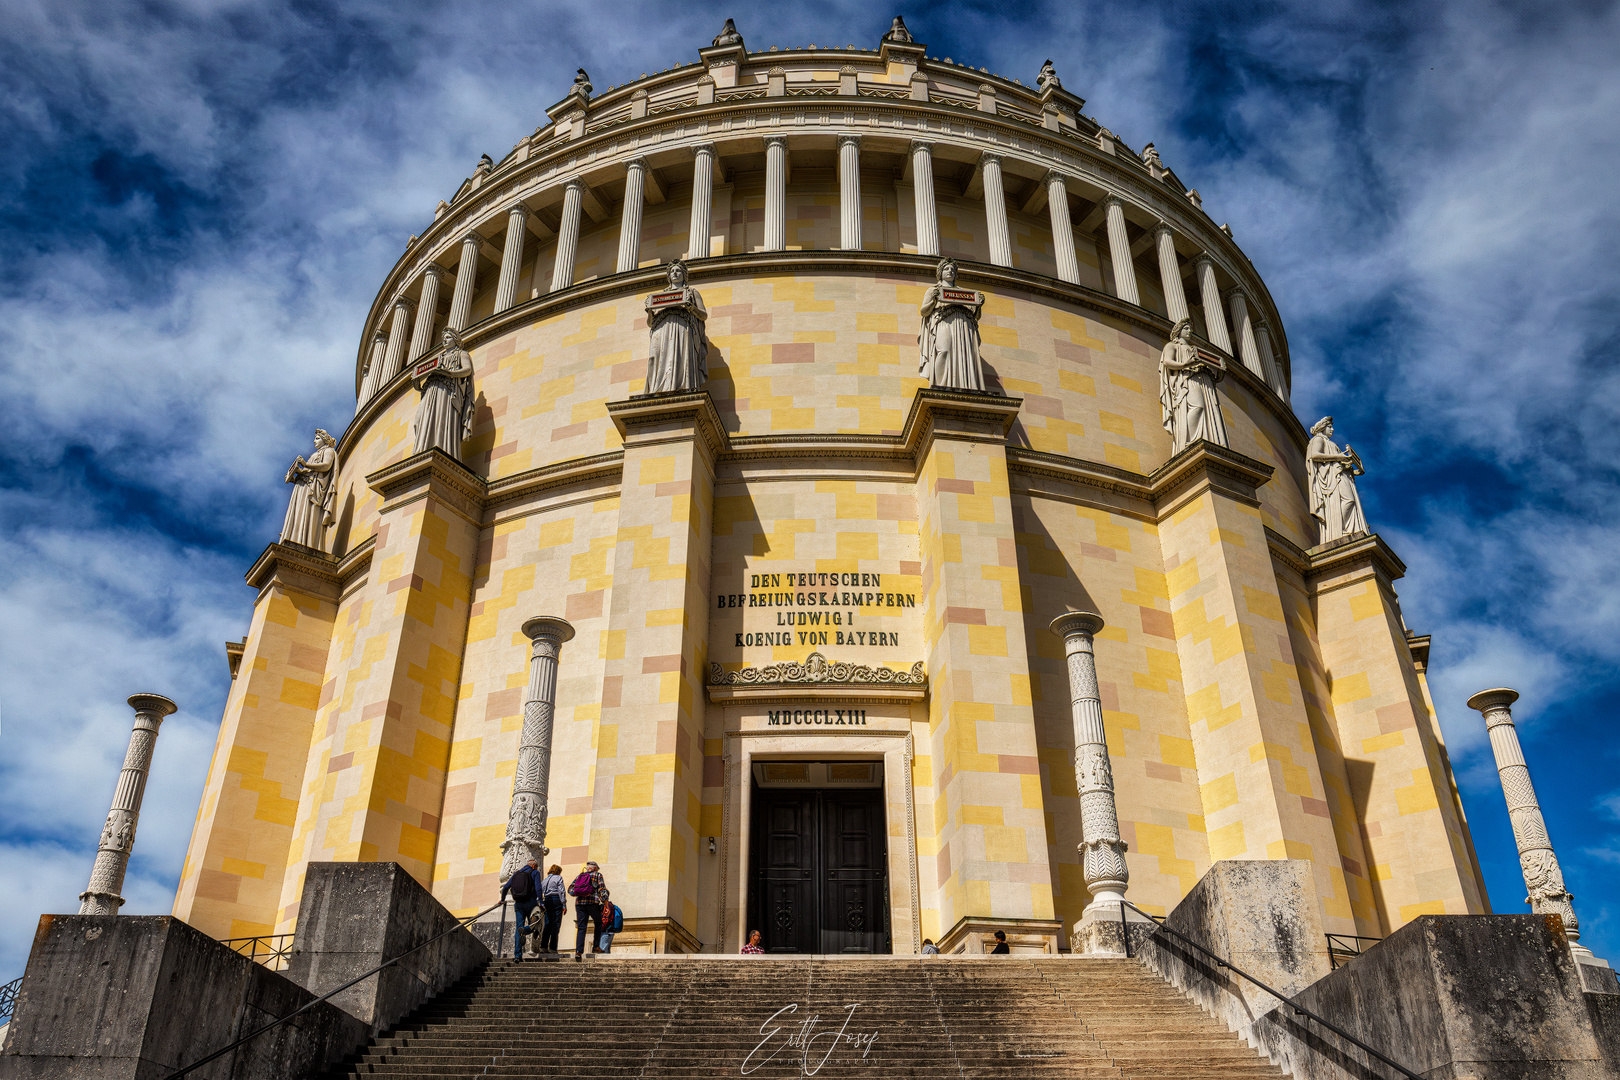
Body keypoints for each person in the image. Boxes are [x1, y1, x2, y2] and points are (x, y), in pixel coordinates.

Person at [1158, 317, 1229, 453]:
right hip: (1188, 380)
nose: (1189, 331)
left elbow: (1215, 378)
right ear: (1178, 331)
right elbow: (1167, 361)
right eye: (1186, 328)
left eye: (1190, 328)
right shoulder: (1172, 346)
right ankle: (1190, 442)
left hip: (1204, 382)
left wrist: (1221, 372)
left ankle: (1207, 440)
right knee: (1197, 407)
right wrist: (1184, 365)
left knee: (1209, 411)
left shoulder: (1196, 351)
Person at [918, 259, 987, 391]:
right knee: (944, 350)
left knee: (963, 354)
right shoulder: (933, 290)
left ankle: (965, 385)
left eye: (952, 270)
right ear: (940, 273)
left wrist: (979, 306)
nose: (950, 272)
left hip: (963, 326)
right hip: (943, 323)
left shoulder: (964, 293)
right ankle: (940, 385)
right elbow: (924, 311)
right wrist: (934, 300)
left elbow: (975, 316)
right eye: (946, 269)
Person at [644, 260, 708, 394]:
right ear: (668, 276)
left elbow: (703, 315)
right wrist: (649, 312)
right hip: (662, 330)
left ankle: (683, 386)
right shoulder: (660, 296)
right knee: (656, 357)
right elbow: (650, 323)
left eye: (678, 270)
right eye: (672, 271)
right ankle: (658, 387)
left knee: (679, 355)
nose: (675, 273)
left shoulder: (692, 292)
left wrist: (691, 308)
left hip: (682, 328)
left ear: (684, 274)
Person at [410, 327, 476, 457]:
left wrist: (449, 373)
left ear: (455, 340)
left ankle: (443, 449)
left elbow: (467, 370)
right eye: (443, 338)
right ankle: (422, 450)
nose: (444, 340)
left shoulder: (461, 354)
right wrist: (417, 384)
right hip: (430, 392)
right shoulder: (438, 358)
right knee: (420, 420)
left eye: (448, 337)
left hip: (447, 392)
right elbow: (424, 380)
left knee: (441, 418)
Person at [1307, 417, 1368, 544]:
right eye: (1330, 427)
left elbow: (1340, 462)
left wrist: (1355, 471)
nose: (1332, 429)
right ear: (1323, 428)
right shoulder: (1318, 439)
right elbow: (1315, 455)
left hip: (1342, 474)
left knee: (1350, 501)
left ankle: (1346, 529)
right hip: (1333, 477)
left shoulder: (1330, 443)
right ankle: (1340, 529)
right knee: (1348, 500)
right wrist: (1338, 457)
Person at [279, 430, 337, 550]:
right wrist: (296, 475)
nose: (314, 441)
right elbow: (309, 472)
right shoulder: (315, 454)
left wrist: (305, 465)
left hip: (313, 490)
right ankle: (294, 539)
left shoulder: (329, 451)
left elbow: (326, 465)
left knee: (308, 514)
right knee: (297, 514)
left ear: (324, 439)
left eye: (317, 438)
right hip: (303, 487)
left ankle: (306, 544)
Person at [500, 858, 543, 962]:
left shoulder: (516, 874)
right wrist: (541, 901)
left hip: (518, 904)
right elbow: (538, 888)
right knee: (536, 922)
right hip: (531, 903)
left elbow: (505, 887)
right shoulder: (535, 872)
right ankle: (526, 930)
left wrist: (502, 899)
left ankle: (517, 955)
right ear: (534, 866)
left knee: (518, 927)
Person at [571, 860, 607, 960]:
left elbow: (571, 889)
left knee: (581, 927)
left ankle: (578, 951)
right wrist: (606, 903)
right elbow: (602, 889)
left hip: (580, 904)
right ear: (595, 867)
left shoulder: (579, 876)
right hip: (592, 903)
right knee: (598, 922)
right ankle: (596, 946)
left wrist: (580, 894)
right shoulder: (597, 875)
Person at [538, 863, 567, 955]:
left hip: (547, 900)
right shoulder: (558, 878)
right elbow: (561, 891)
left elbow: (540, 891)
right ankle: (553, 948)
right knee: (556, 924)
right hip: (556, 900)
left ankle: (543, 946)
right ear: (558, 871)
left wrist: (540, 902)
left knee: (547, 923)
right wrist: (564, 904)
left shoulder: (545, 880)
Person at [598, 889, 623, 954]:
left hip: (605, 933)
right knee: (606, 952)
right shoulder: (611, 905)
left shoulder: (607, 907)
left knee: (602, 954)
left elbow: (605, 920)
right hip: (610, 932)